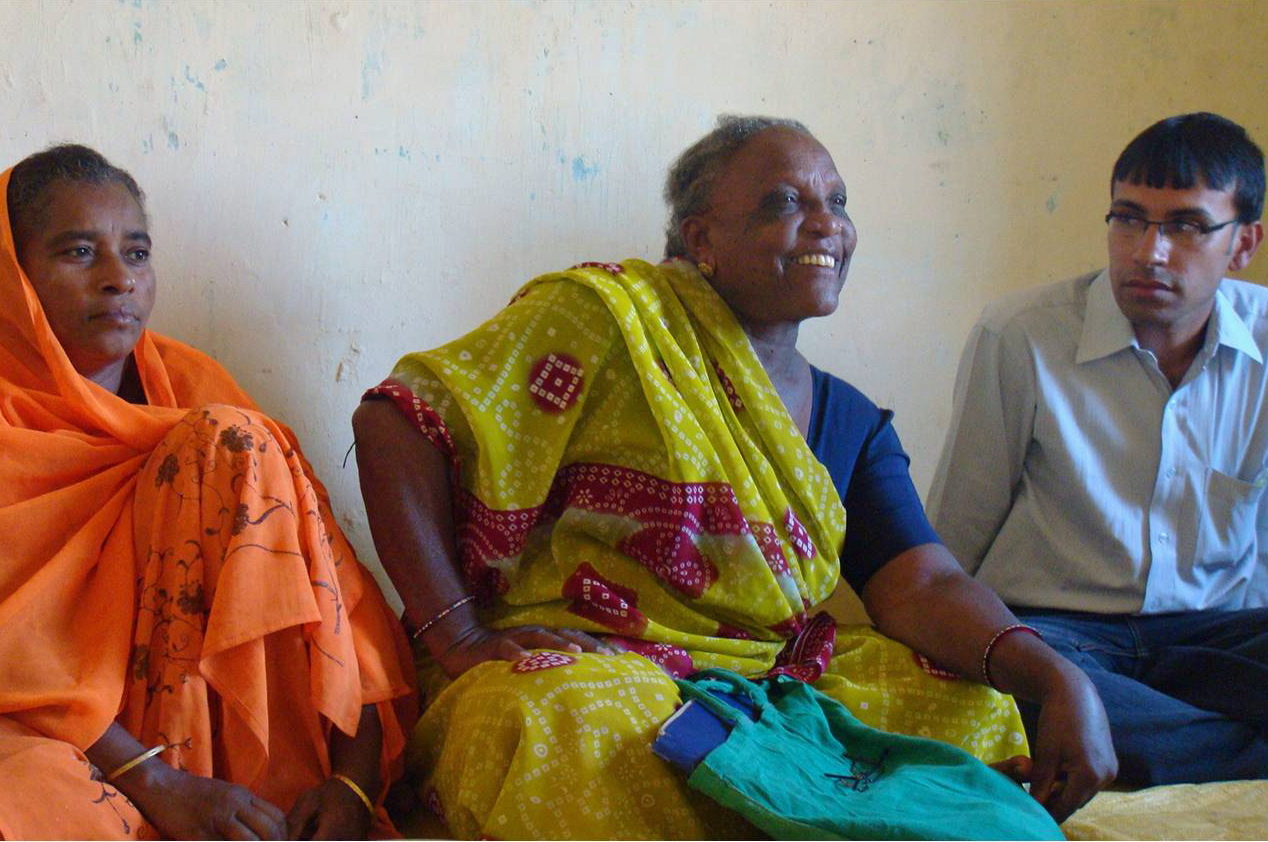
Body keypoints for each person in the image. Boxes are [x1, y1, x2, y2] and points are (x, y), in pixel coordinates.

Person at [353, 115, 1116, 839]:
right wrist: (456, 634)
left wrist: (1054, 678)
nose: (828, 224)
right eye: (785, 203)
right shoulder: (603, 319)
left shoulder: (848, 418)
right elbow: (397, 422)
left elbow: (922, 586)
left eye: (837, 202)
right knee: (568, 719)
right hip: (599, 662)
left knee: (970, 708)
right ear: (700, 237)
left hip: (772, 679)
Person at [0, 145, 417, 839]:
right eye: (78, 252)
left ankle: (260, 810)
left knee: (231, 438)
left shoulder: (197, 391)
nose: (118, 280)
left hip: (226, 760)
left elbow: (334, 605)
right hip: (59, 737)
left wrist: (351, 779)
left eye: (136, 254)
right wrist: (154, 780)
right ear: (12, 276)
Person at [928, 112, 1268, 787]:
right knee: (1025, 691)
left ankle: (1160, 746)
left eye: (1186, 226)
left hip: (1214, 635)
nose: (1149, 251)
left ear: (1243, 243)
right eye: (1128, 219)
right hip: (1062, 636)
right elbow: (954, 537)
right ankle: (1202, 746)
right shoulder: (1021, 335)